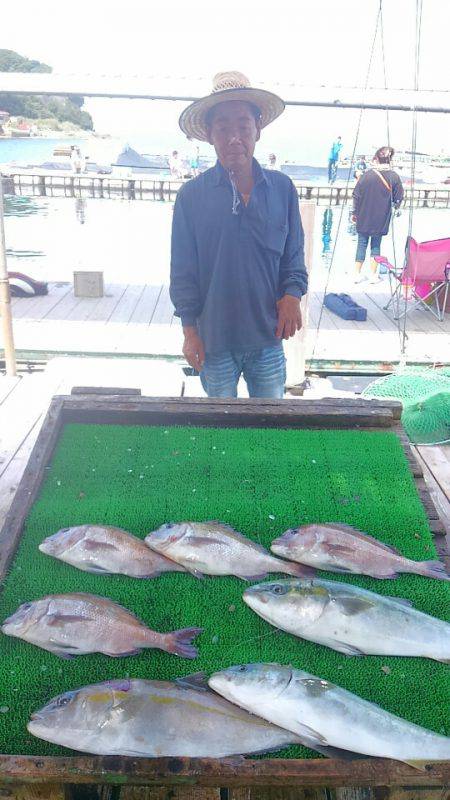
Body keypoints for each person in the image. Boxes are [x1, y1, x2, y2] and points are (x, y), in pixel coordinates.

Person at [170, 71, 308, 399]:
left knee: (270, 421)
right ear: (209, 135)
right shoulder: (191, 196)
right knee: (221, 424)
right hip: (213, 340)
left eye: (243, 127)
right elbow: (183, 272)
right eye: (223, 128)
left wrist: (293, 295)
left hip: (268, 338)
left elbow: (293, 256)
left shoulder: (282, 189)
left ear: (257, 129)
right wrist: (189, 332)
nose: (234, 138)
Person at [352, 146, 404, 283]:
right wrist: (397, 207)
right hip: (381, 217)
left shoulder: (367, 175)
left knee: (361, 243)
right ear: (390, 159)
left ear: (376, 159)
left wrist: (354, 212)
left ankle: (356, 274)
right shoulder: (394, 176)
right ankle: (373, 275)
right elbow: (399, 197)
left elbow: (356, 195)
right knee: (376, 245)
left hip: (364, 215)